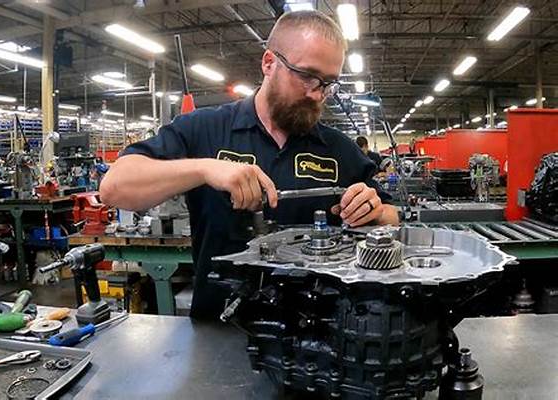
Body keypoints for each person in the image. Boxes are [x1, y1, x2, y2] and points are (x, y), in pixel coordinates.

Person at [100, 10, 399, 319]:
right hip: (221, 328)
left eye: (328, 83)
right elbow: (114, 188)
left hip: (316, 332)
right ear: (269, 62)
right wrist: (205, 168)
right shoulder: (204, 129)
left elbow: (392, 215)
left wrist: (374, 211)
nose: (317, 94)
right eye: (307, 75)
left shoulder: (338, 148)